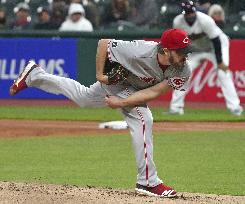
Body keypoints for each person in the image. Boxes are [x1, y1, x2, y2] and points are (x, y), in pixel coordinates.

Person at [9, 28, 195, 198]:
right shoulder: (140, 50)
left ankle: (35, 75)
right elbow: (103, 43)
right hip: (117, 82)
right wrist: (100, 75)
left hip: (132, 87)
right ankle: (148, 182)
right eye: (180, 52)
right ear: (165, 50)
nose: (184, 56)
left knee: (84, 98)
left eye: (185, 51)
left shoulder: (183, 69)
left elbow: (153, 92)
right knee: (143, 118)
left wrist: (121, 102)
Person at [168, 0, 243, 116]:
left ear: (195, 10)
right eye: (187, 12)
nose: (190, 15)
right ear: (183, 13)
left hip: (215, 47)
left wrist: (219, 62)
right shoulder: (178, 22)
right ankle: (176, 108)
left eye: (191, 12)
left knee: (223, 73)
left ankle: (235, 108)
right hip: (197, 49)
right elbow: (178, 43)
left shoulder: (205, 20)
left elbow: (216, 40)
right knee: (183, 73)